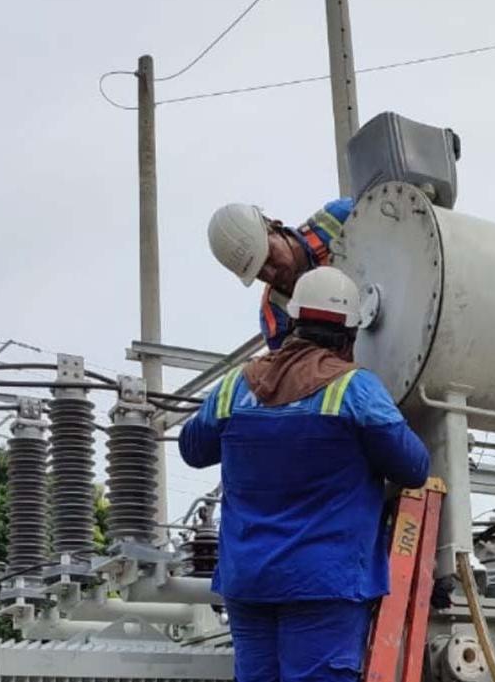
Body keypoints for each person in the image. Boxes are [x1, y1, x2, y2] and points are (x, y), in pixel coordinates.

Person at [178, 266, 430, 682]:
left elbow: (192, 448)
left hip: (249, 580)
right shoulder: (355, 390)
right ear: (351, 332)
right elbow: (414, 467)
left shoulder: (234, 387)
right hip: (323, 582)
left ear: (294, 320)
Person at [207, 198, 353, 350]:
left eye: (269, 257)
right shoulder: (276, 317)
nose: (270, 274)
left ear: (275, 226)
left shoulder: (339, 218)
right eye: (259, 273)